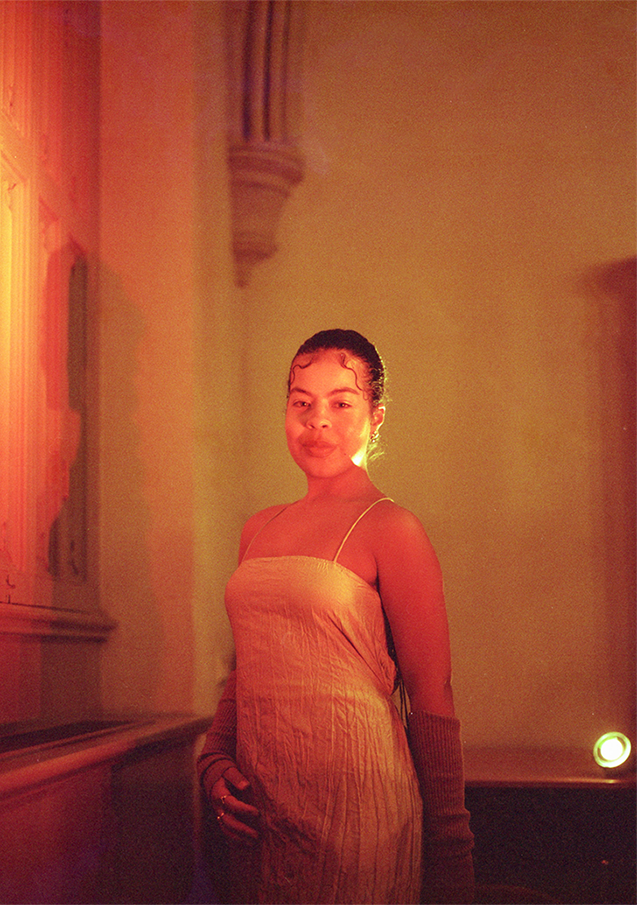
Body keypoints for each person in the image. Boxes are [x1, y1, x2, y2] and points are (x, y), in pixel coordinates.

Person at [198, 329, 474, 905]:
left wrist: (450, 852)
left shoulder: (392, 528)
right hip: (263, 811)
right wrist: (214, 758)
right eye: (302, 403)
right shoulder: (259, 528)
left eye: (341, 403)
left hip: (358, 809)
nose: (317, 421)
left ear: (376, 417)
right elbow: (249, 664)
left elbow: (431, 692)